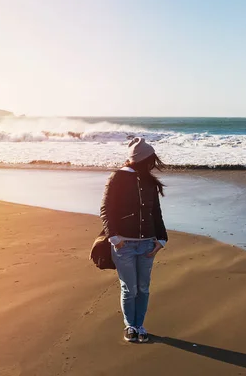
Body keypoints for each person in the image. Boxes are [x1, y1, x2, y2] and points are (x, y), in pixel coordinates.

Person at [100, 137, 168, 343]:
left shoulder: (149, 180)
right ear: (142, 159)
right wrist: (114, 238)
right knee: (129, 289)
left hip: (148, 243)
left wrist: (162, 240)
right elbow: (106, 210)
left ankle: (140, 325)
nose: (153, 163)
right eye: (150, 159)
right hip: (124, 245)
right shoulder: (117, 177)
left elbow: (155, 212)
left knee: (143, 288)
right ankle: (130, 326)